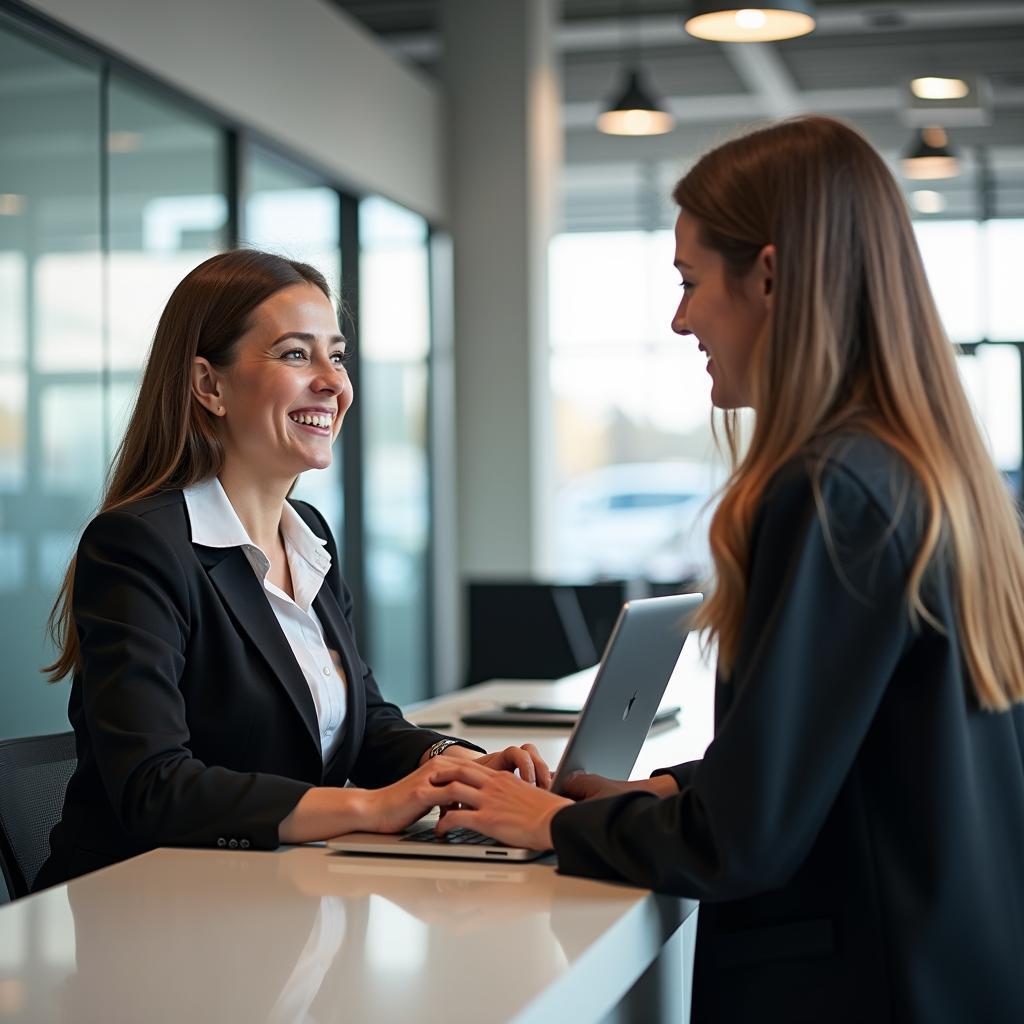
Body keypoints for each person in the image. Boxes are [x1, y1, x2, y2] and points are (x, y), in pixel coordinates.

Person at [427, 116, 1024, 1023]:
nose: (679, 318)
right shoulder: (916, 473)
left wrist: (553, 821)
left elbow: (741, 843)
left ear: (772, 277)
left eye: (691, 282)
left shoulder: (832, 491)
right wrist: (665, 791)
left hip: (863, 984)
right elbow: (843, 757)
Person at [35, 250, 550, 890]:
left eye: (336, 355)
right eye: (295, 354)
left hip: (279, 897)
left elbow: (364, 724)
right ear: (209, 386)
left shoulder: (307, 536)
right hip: (147, 911)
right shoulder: (138, 545)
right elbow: (154, 786)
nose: (333, 382)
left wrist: (455, 765)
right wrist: (372, 806)